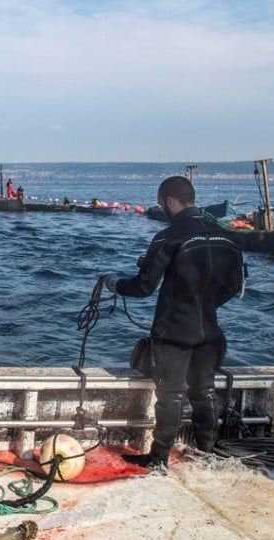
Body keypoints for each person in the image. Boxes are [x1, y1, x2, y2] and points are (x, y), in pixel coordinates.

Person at [104, 176, 245, 468]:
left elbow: (144, 286)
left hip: (174, 333)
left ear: (170, 201)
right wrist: (206, 305)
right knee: (204, 392)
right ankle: (207, 452)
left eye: (161, 204)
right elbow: (234, 286)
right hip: (209, 331)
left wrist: (114, 284)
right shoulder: (227, 237)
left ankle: (158, 459)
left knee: (170, 395)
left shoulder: (169, 237)